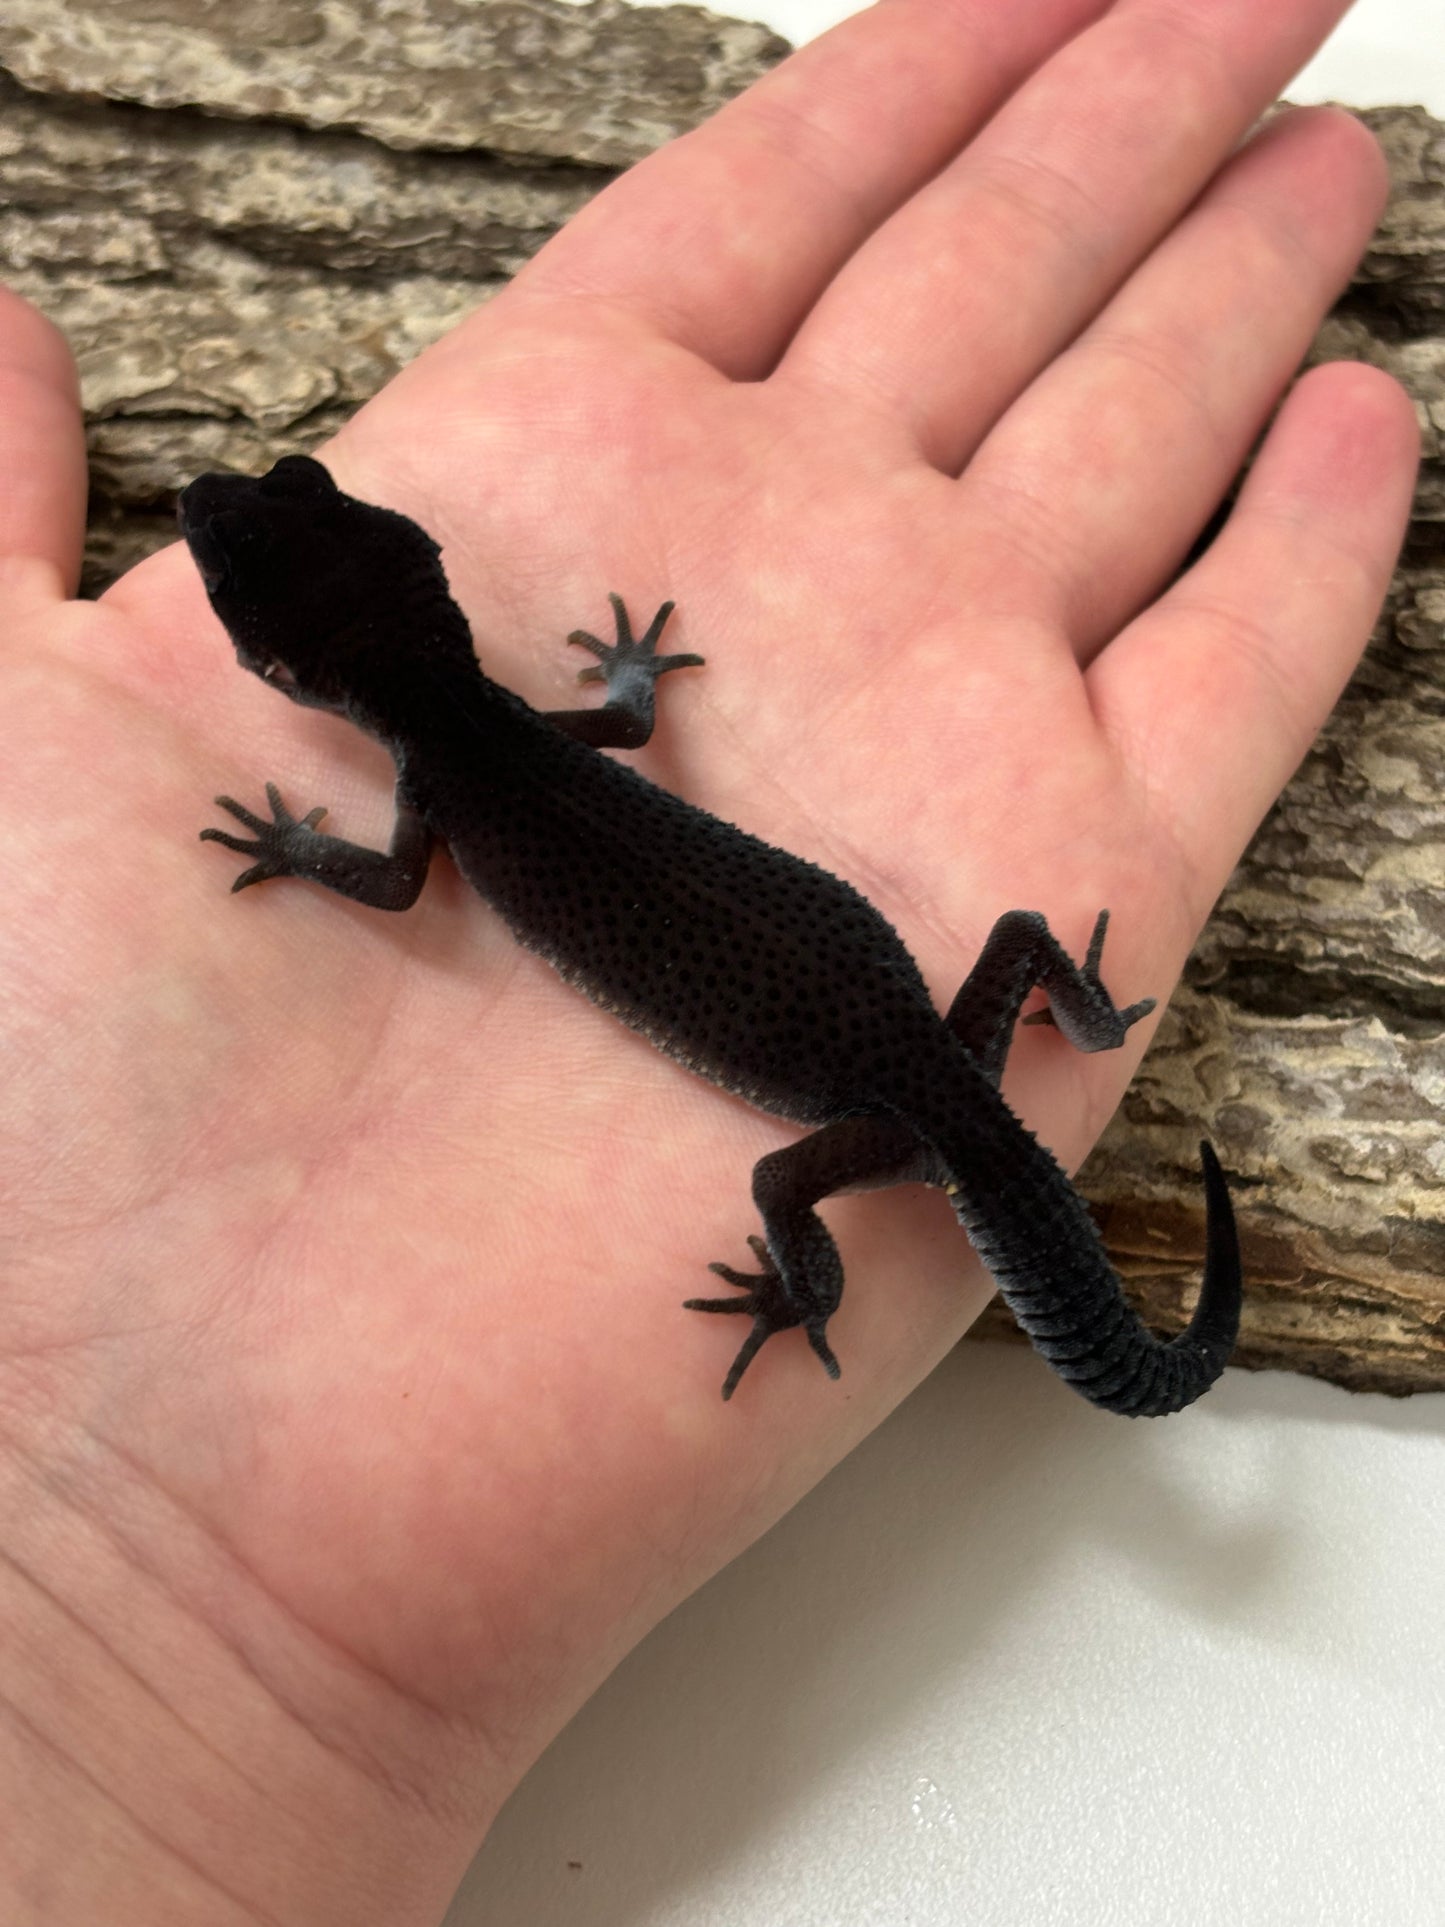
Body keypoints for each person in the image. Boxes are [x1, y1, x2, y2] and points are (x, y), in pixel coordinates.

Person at [0, 0, 1418, 1918]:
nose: (272, 522)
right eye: (289, 542)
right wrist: (642, 690)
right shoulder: (504, 739)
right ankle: (1059, 1034)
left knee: (789, 1184)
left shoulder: (444, 791)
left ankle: (891, 1231)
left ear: (306, 670)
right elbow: (602, 747)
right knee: (967, 1037)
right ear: (395, 597)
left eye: (289, 533)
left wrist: (302, 842)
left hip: (861, 1084)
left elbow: (400, 889)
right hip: (897, 1032)